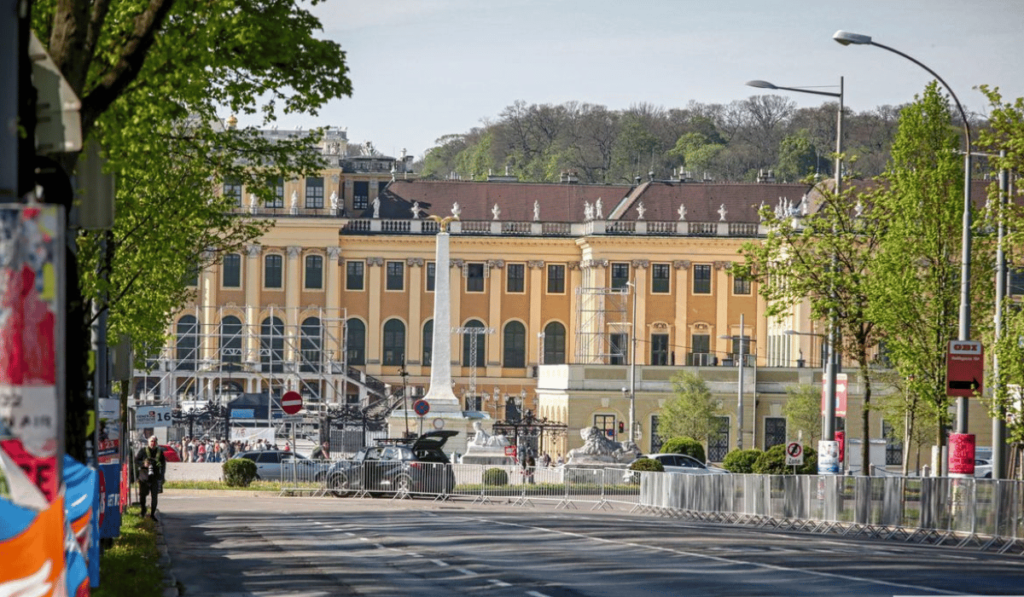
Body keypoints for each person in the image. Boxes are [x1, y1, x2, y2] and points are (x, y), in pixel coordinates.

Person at [136, 436, 166, 521]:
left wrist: (162, 476)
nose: (153, 443)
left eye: (154, 442)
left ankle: (152, 514)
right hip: (144, 477)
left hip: (155, 477)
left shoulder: (159, 452)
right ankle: (143, 511)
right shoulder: (143, 451)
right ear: (148, 442)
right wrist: (143, 464)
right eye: (151, 441)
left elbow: (163, 465)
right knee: (142, 496)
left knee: (154, 497)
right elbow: (136, 461)